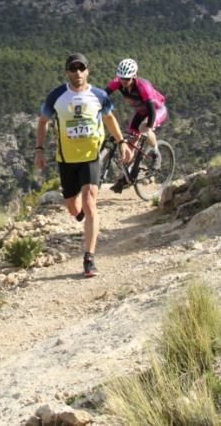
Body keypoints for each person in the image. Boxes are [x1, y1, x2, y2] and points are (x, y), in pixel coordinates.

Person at [35, 53, 127, 278]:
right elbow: (43, 122)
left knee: (89, 203)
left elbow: (109, 119)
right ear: (67, 72)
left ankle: (89, 259)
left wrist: (123, 142)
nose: (77, 73)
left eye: (81, 68)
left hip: (90, 157)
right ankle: (85, 220)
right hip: (66, 160)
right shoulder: (57, 96)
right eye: (73, 69)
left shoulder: (99, 95)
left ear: (88, 71)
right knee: (73, 208)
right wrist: (39, 149)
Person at [104, 58, 168, 186]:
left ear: (134, 76)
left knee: (144, 127)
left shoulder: (144, 87)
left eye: (127, 79)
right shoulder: (118, 82)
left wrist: (148, 127)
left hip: (157, 110)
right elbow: (103, 94)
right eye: (121, 78)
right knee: (130, 142)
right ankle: (129, 175)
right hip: (141, 112)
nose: (124, 81)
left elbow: (151, 110)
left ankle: (156, 154)